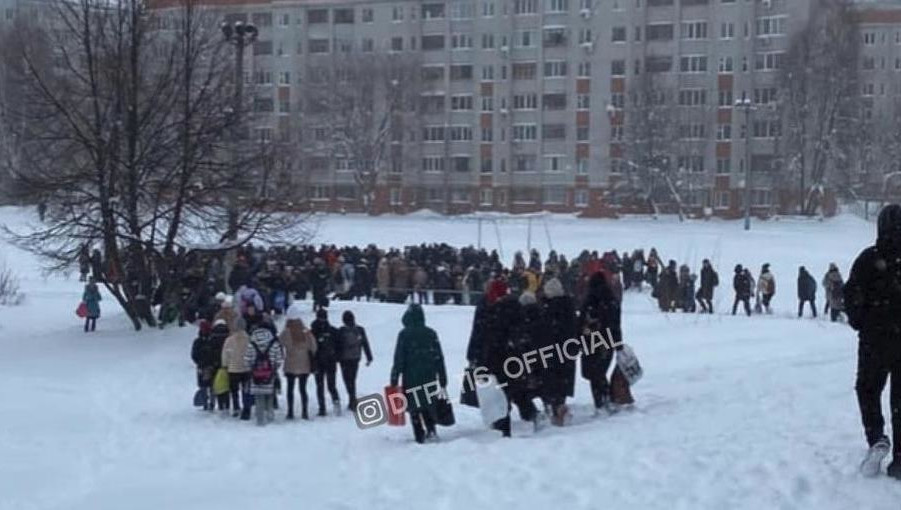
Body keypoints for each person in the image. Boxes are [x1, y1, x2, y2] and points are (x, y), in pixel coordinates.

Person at [844, 204, 901, 479]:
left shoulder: (868, 259)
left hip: (875, 339)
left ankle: (877, 437)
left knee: (867, 389)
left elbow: (851, 295)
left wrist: (862, 322)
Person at [390, 304, 448, 444]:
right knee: (428, 403)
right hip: (429, 375)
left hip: (411, 376)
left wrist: (394, 377)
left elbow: (399, 358)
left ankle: (419, 433)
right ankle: (431, 429)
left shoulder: (404, 334)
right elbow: (439, 357)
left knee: (414, 406)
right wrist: (442, 377)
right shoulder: (431, 333)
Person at [580, 272, 622, 415]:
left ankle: (601, 402)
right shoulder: (612, 300)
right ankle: (607, 399)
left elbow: (581, 322)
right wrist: (618, 343)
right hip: (607, 340)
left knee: (593, 373)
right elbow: (616, 324)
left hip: (591, 340)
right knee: (600, 372)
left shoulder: (590, 300)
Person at [541, 277, 577, 426]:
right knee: (563, 381)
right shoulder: (569, 307)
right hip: (568, 350)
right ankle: (561, 406)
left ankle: (557, 411)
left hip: (551, 351)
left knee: (552, 381)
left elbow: (545, 331)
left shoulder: (548, 309)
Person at [281, 305, 317, 420]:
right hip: (304, 364)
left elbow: (279, 342)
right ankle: (304, 412)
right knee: (303, 389)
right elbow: (314, 346)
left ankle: (290, 412)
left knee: (290, 389)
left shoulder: (286, 331)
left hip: (290, 363)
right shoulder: (306, 331)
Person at [243, 327, 284, 426]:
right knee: (269, 395)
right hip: (270, 375)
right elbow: (279, 359)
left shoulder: (251, 345)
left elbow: (247, 360)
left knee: (258, 397)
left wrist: (252, 368)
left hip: (256, 375)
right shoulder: (274, 344)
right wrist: (274, 368)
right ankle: (270, 415)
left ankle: (260, 418)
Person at [338, 311, 373, 411]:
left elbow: (338, 345)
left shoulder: (341, 330)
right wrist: (369, 357)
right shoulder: (360, 330)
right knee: (352, 379)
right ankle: (352, 399)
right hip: (355, 358)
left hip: (344, 359)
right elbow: (365, 343)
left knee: (347, 379)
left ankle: (352, 399)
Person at [311, 309, 342, 416]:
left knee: (319, 386)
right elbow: (339, 346)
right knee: (332, 385)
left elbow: (311, 348)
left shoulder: (313, 331)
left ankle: (322, 408)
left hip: (318, 361)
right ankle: (336, 403)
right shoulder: (333, 331)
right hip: (331, 361)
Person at [221, 317, 250, 418]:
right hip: (246, 368)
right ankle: (247, 408)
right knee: (246, 389)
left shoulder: (229, 340)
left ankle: (236, 407)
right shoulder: (249, 339)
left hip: (233, 369)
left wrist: (225, 365)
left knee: (234, 390)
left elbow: (225, 354)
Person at [190, 320, 216, 411]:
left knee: (203, 385)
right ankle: (211, 402)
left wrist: (199, 363)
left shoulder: (197, 341)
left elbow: (194, 355)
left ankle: (205, 402)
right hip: (211, 366)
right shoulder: (212, 340)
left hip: (202, 366)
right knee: (212, 385)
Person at [209, 319, 231, 412]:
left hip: (215, 363)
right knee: (227, 383)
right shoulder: (229, 336)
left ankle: (219, 403)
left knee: (217, 383)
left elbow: (210, 350)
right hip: (227, 364)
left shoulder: (212, 337)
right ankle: (227, 403)